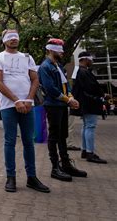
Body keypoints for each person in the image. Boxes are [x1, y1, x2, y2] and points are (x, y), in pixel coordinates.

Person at [0, 29, 50, 193]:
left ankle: (32, 177)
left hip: (28, 105)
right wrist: (16, 100)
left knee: (28, 141)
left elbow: (35, 79)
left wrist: (29, 99)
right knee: (10, 141)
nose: (13, 39)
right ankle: (11, 177)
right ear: (4, 40)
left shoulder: (27, 57)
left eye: (16, 37)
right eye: (10, 37)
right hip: (9, 105)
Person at [38, 38, 87, 182]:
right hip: (53, 105)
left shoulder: (59, 66)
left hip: (62, 105)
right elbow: (50, 89)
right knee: (53, 136)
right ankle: (55, 167)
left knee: (62, 135)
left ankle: (65, 164)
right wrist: (68, 100)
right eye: (60, 50)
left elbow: (66, 85)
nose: (63, 52)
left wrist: (70, 96)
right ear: (51, 50)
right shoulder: (45, 67)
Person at [71, 51, 107, 164]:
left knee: (86, 126)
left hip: (85, 103)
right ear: (85, 59)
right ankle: (90, 152)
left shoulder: (79, 72)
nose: (92, 61)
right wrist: (100, 97)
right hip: (89, 103)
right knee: (90, 126)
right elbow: (90, 88)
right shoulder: (84, 72)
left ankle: (85, 150)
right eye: (90, 59)